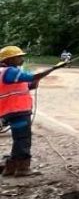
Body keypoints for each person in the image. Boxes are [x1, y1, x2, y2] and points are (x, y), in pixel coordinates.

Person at [0, 46, 46, 177]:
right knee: (23, 139)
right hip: (17, 111)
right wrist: (53, 69)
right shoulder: (10, 71)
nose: (22, 59)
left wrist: (35, 81)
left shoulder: (5, 71)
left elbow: (26, 84)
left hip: (10, 111)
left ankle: (10, 168)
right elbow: (31, 77)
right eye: (19, 57)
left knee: (19, 139)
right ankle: (22, 169)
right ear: (10, 59)